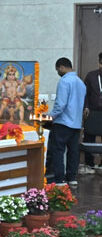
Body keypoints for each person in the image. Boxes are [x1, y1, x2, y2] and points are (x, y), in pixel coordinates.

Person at [43, 57, 86, 186]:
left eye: (58, 70)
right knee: (73, 152)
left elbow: (60, 105)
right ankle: (72, 178)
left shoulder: (64, 81)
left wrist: (49, 116)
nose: (58, 73)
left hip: (63, 123)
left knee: (58, 151)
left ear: (61, 67)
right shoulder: (81, 83)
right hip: (76, 124)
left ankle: (59, 180)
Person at [80, 52, 102, 174]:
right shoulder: (91, 76)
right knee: (89, 138)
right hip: (92, 112)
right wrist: (86, 107)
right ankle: (89, 164)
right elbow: (85, 94)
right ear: (99, 63)